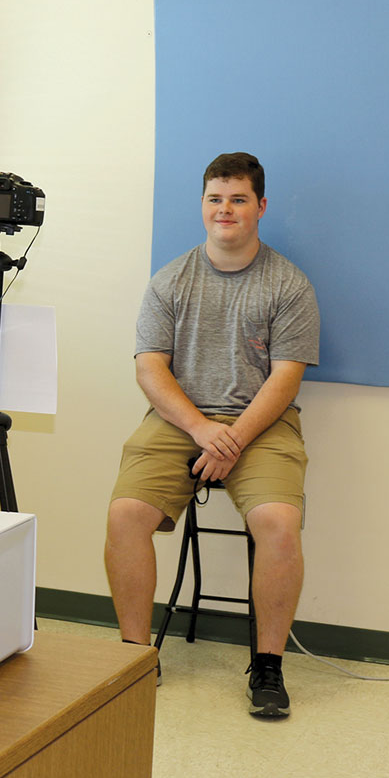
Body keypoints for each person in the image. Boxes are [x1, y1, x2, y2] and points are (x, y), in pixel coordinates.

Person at [104, 152, 319, 719]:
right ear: (203, 206)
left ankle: (268, 666)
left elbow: (286, 378)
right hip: (180, 421)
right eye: (215, 199)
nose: (225, 209)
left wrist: (233, 438)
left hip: (262, 424)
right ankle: (134, 658)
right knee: (126, 514)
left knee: (279, 523)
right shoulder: (170, 280)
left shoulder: (289, 284)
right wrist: (201, 430)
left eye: (238, 199)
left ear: (261, 207)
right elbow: (150, 369)